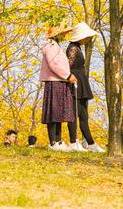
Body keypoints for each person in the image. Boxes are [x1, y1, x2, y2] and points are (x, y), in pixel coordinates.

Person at [66, 22, 105, 153]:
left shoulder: (77, 48)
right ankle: (73, 142)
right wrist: (70, 77)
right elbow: (67, 66)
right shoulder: (72, 48)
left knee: (83, 115)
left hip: (82, 83)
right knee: (74, 113)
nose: (87, 39)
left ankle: (91, 143)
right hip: (75, 82)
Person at [40, 21, 77, 151]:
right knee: (53, 113)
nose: (65, 35)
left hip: (60, 81)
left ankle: (58, 140)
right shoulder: (50, 46)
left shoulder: (56, 46)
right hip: (55, 81)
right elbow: (54, 64)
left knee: (59, 113)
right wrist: (67, 75)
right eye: (63, 33)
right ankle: (53, 142)